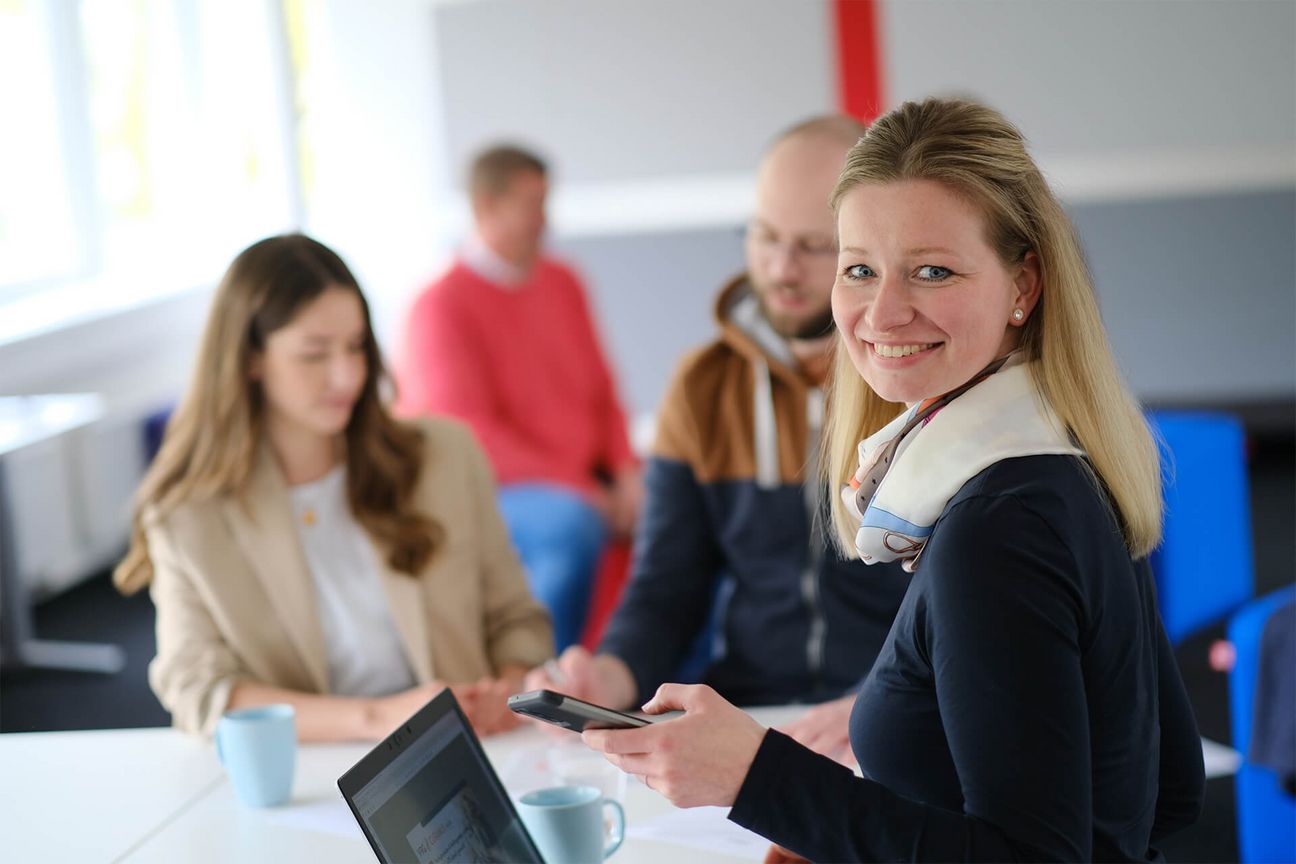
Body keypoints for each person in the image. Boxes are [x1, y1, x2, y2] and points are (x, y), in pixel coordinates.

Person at [580, 98, 1205, 862]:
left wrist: (756, 779)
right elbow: (1170, 787)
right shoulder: (1066, 462)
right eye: (860, 270)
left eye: (933, 271)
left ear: (1024, 287)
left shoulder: (998, 529)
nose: (883, 312)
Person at [527, 116, 910, 764]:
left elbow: (962, 607)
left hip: (896, 718)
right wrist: (607, 678)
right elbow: (665, 588)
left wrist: (892, 703)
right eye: (764, 237)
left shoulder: (914, 374)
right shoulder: (703, 387)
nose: (782, 269)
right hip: (751, 718)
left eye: (816, 245)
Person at [114, 234, 553, 742]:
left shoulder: (445, 456)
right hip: (318, 767)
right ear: (250, 359)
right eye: (314, 354)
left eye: (355, 346)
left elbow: (517, 619)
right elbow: (198, 689)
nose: (346, 375)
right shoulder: (187, 514)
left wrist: (511, 686)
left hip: (472, 751)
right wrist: (378, 718)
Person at [398, 145, 641, 652]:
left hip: (581, 480)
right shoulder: (440, 306)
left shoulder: (564, 282)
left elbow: (603, 391)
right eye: (531, 205)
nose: (543, 221)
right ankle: (541, 675)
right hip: (498, 489)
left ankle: (666, 676)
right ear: (486, 207)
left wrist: (625, 473)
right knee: (568, 525)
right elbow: (471, 438)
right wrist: (588, 493)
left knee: (687, 506)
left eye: (544, 204)